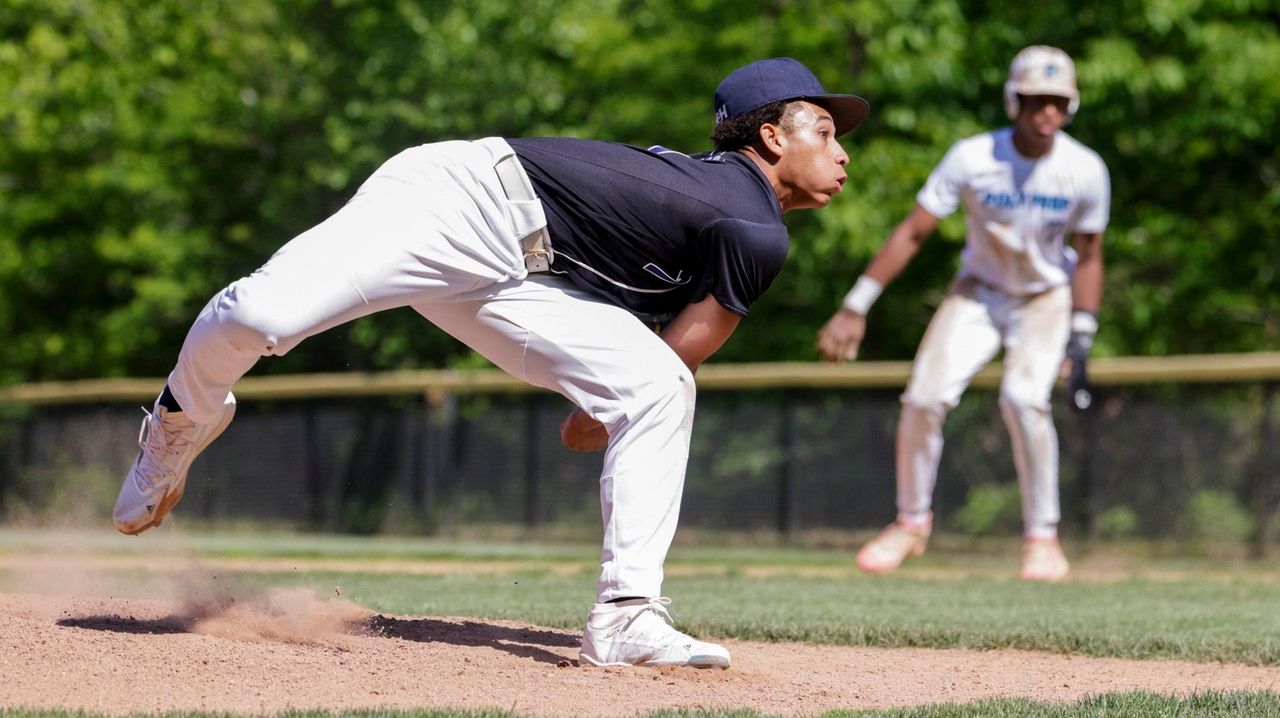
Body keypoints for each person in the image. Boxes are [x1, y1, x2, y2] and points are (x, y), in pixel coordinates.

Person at [114, 57, 868, 667]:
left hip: (522, 272)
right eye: (826, 131)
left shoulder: (728, 204)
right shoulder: (753, 223)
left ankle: (628, 618)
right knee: (262, 315)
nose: (841, 152)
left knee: (656, 387)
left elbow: (668, 363)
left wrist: (607, 407)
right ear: (772, 137)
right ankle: (179, 421)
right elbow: (696, 337)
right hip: (458, 202)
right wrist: (592, 414)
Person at [816, 46, 1109, 582]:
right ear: (1013, 100)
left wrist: (1082, 334)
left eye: (1058, 103)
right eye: (1036, 101)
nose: (1046, 113)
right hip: (979, 292)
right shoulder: (974, 157)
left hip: (1045, 297)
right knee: (924, 397)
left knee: (1024, 400)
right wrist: (855, 305)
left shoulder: (1084, 169)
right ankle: (911, 522)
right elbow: (913, 231)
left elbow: (1088, 256)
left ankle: (1042, 537)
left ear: (1071, 107)